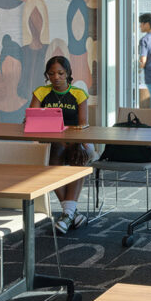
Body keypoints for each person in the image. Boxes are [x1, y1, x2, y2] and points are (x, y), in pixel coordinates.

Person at [30, 56, 94, 234]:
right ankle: (71, 213)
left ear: (68, 74)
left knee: (78, 154)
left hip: (76, 141)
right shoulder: (41, 92)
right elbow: (31, 118)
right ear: (47, 75)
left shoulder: (79, 94)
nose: (56, 77)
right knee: (55, 151)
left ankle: (67, 213)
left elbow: (83, 125)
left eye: (60, 73)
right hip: (52, 142)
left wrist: (73, 140)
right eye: (51, 74)